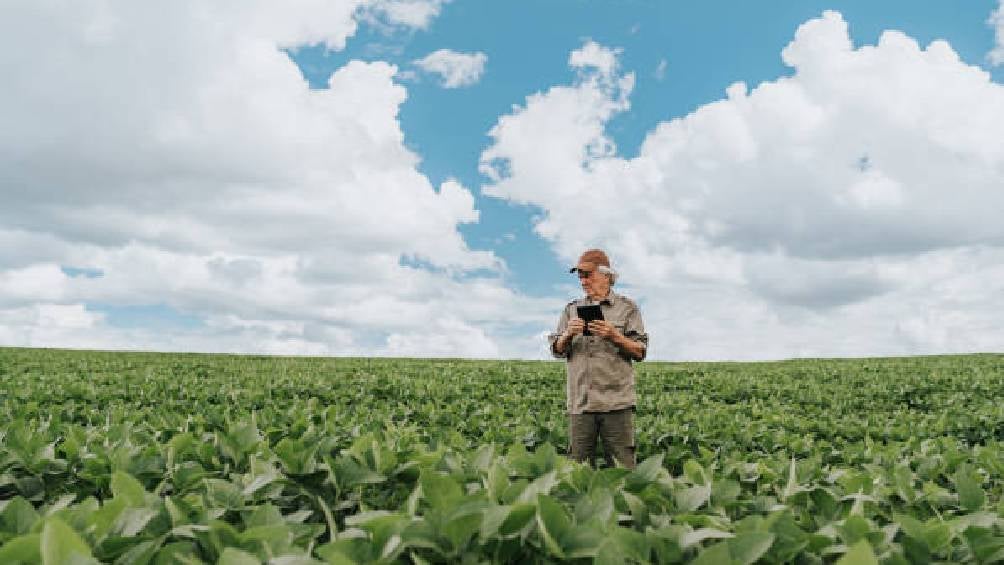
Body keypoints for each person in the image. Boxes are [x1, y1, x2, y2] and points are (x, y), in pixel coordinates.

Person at [549, 249, 648, 469]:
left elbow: (640, 351)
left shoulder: (627, 308)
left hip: (616, 403)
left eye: (588, 275)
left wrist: (614, 336)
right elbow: (556, 350)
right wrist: (567, 334)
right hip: (580, 404)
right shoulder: (571, 309)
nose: (583, 281)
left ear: (606, 275)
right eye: (580, 276)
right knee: (577, 471)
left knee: (624, 469)